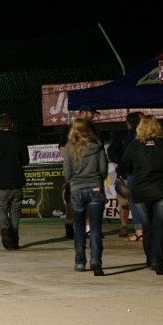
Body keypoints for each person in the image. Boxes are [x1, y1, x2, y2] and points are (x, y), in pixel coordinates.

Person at [121, 115, 163, 275]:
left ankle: (150, 259)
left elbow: (124, 166)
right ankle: (159, 261)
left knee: (147, 226)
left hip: (141, 190)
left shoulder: (134, 146)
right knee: (160, 226)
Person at [62, 116, 107, 276]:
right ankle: (96, 260)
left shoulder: (69, 148)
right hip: (95, 188)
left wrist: (74, 181)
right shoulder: (97, 146)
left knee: (79, 227)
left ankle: (80, 261)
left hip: (77, 190)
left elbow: (67, 174)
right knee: (95, 227)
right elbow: (103, 171)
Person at [0, 113, 29, 250]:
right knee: (15, 211)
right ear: (12, 125)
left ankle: (4, 230)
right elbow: (25, 161)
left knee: (1, 209)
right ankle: (14, 239)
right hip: (16, 181)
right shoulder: (19, 140)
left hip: (0, 182)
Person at [58, 104, 100, 239]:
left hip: (90, 171)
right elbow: (62, 147)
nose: (94, 116)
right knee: (72, 198)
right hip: (76, 170)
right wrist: (72, 162)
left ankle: (88, 227)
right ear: (84, 113)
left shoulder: (93, 129)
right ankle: (70, 224)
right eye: (92, 113)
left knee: (89, 198)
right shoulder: (69, 129)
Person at [106, 111, 144, 240]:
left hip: (128, 174)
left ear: (128, 122)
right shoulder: (127, 136)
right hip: (131, 174)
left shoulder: (136, 136)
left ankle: (132, 227)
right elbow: (112, 151)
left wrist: (121, 162)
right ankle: (128, 227)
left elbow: (111, 152)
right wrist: (122, 161)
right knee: (127, 202)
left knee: (126, 203)